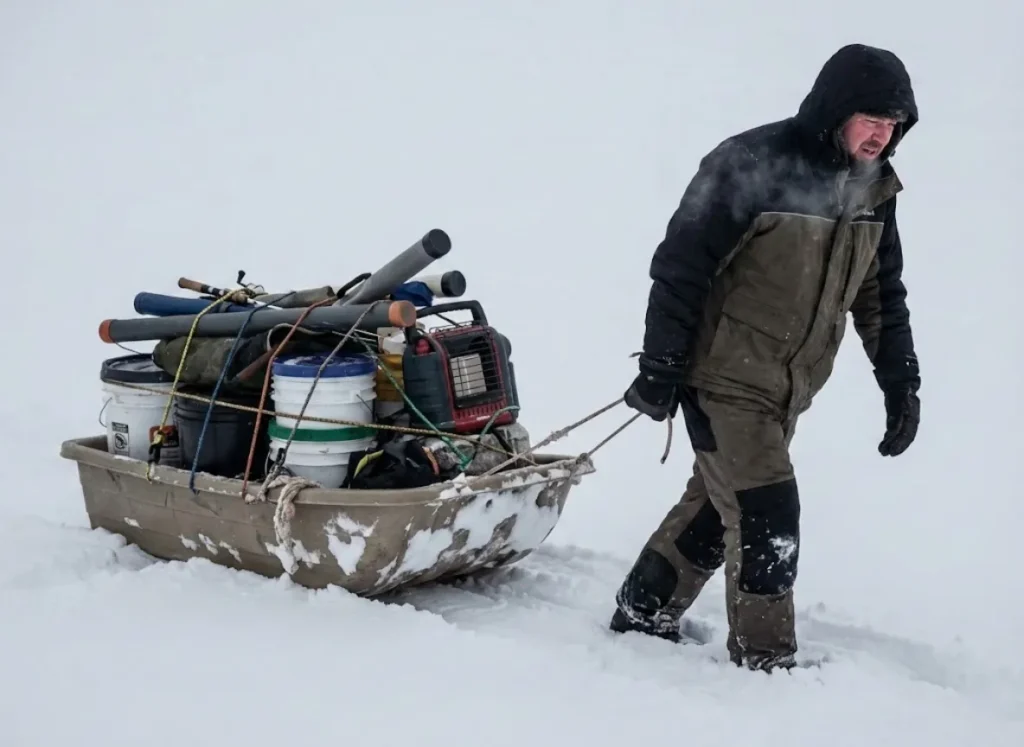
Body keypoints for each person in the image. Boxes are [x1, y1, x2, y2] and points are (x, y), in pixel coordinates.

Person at [612, 43, 922, 672]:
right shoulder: (752, 164)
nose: (881, 136)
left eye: (894, 126)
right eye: (871, 119)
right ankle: (767, 664)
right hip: (722, 378)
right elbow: (682, 265)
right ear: (835, 109)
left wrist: (900, 384)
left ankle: (644, 608)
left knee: (713, 509)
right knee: (765, 516)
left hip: (787, 386)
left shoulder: (874, 190)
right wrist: (661, 365)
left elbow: (879, 292)